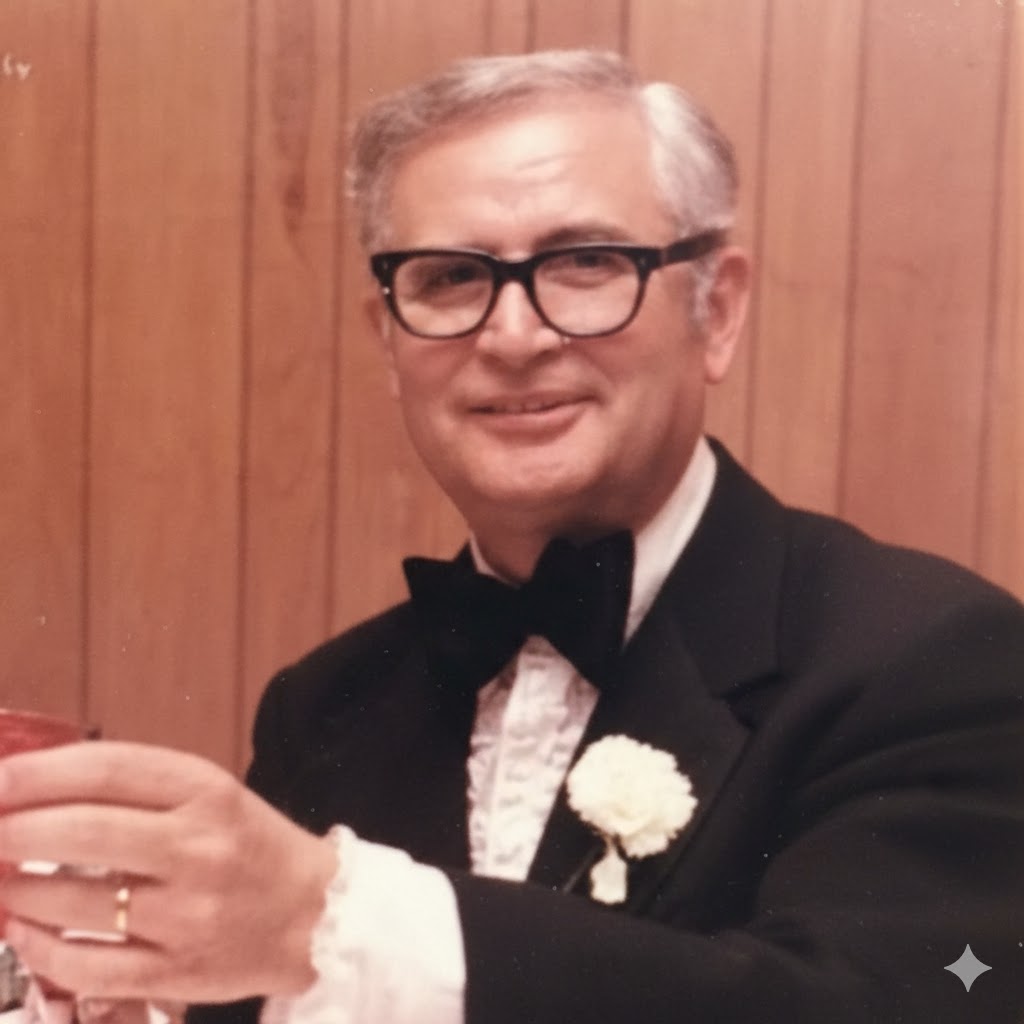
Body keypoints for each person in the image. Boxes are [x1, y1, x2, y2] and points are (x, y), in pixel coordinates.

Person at [1, 48, 1023, 1024]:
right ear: (389, 340)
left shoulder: (935, 661)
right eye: (449, 277)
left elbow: (915, 1004)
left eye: (585, 262)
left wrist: (329, 919)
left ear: (716, 312)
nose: (513, 336)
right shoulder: (323, 705)